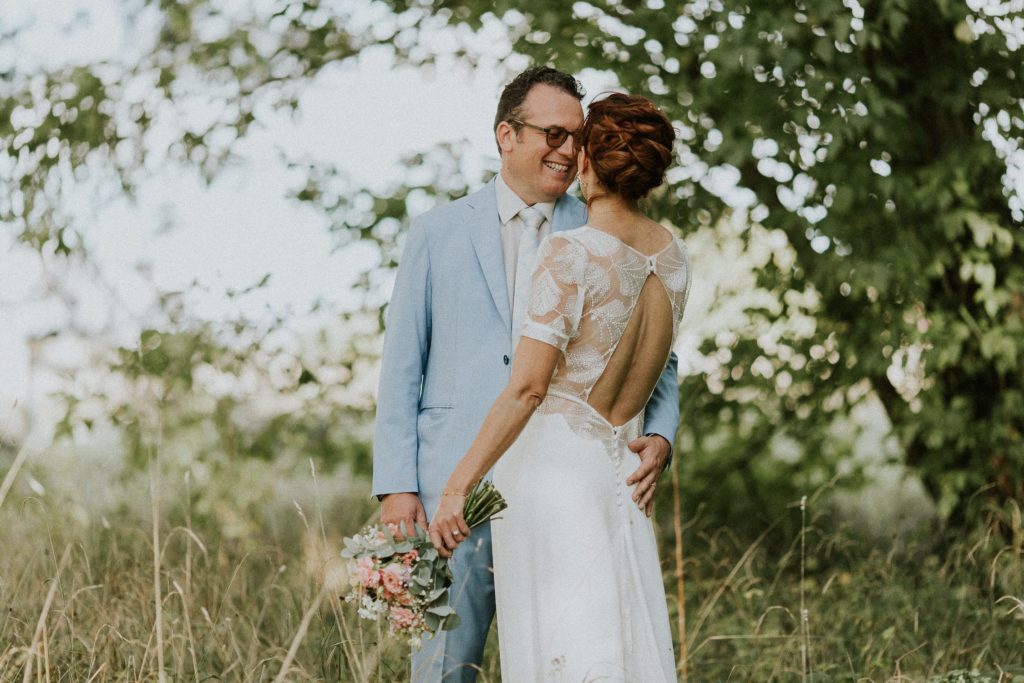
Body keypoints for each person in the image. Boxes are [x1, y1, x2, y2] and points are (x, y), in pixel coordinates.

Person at [373, 66, 680, 682]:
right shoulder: (436, 232)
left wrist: (663, 436)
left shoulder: (599, 230)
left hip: (559, 491)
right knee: (442, 669)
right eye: (553, 134)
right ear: (505, 135)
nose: (567, 151)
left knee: (556, 652)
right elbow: (402, 365)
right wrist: (397, 486)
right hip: (448, 491)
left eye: (577, 137)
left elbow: (663, 359)